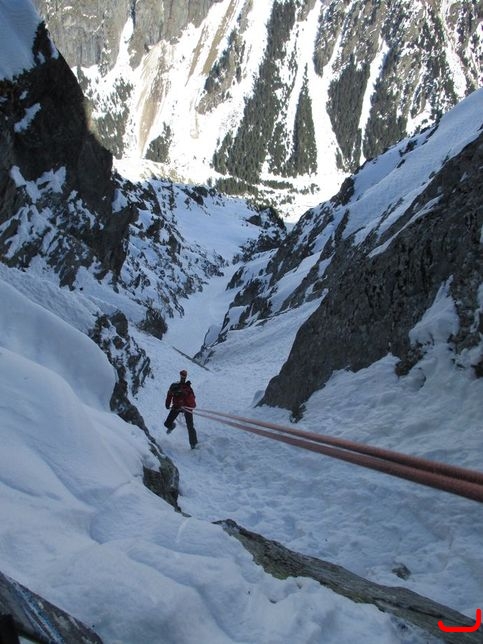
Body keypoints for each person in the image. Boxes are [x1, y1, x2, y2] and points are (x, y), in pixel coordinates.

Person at [164, 369, 198, 449]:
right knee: (167, 423)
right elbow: (169, 395)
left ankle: (193, 444)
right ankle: (171, 426)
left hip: (186, 407)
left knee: (190, 426)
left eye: (183, 376)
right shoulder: (174, 386)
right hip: (177, 406)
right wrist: (167, 404)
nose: (182, 377)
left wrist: (185, 394)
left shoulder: (187, 389)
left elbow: (193, 402)